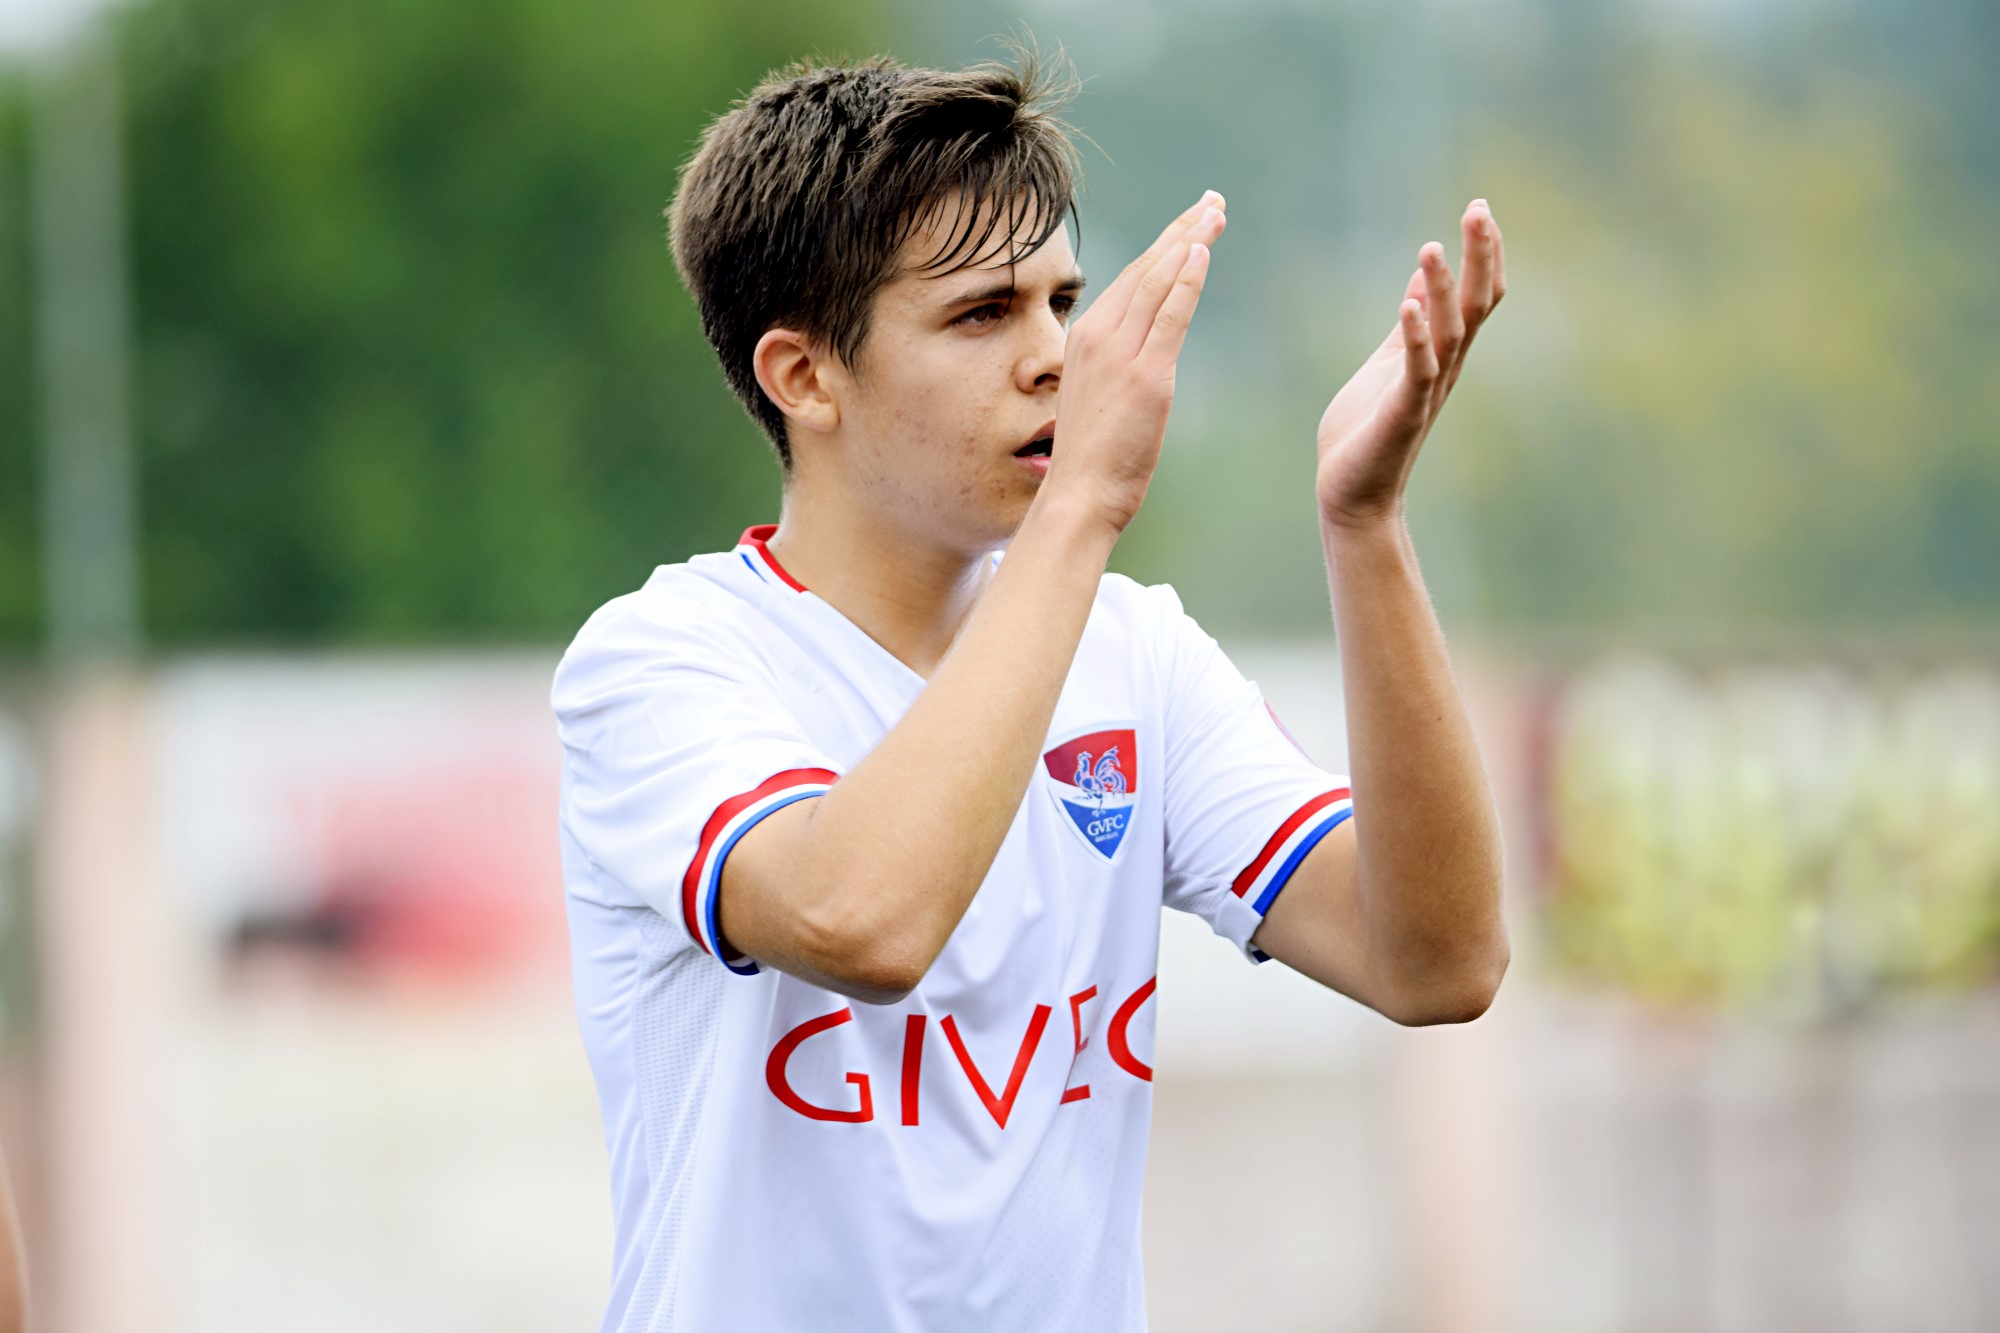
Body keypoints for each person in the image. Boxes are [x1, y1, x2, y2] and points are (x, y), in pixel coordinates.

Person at [552, 42, 1508, 1333]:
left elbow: (1436, 960)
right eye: (982, 314)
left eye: (1064, 301)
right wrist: (1083, 507)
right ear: (804, 376)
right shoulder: (663, 662)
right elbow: (864, 920)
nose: (1057, 356)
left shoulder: (1135, 654)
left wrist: (1366, 523)